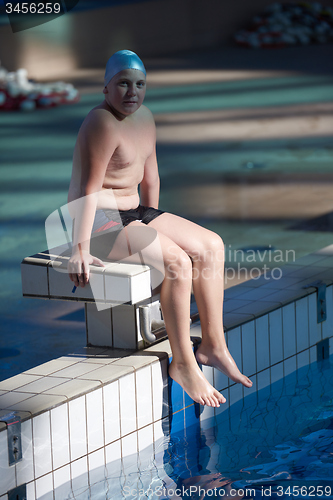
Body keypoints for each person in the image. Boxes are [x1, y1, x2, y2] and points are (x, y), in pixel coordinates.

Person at [67, 50, 252, 407]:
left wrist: (156, 223)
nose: (132, 91)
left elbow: (151, 177)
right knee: (177, 263)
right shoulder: (100, 123)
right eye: (123, 83)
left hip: (135, 211)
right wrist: (80, 248)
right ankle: (182, 362)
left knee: (211, 245)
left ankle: (214, 344)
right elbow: (88, 190)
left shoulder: (145, 117)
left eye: (139, 84)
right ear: (106, 88)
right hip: (101, 221)